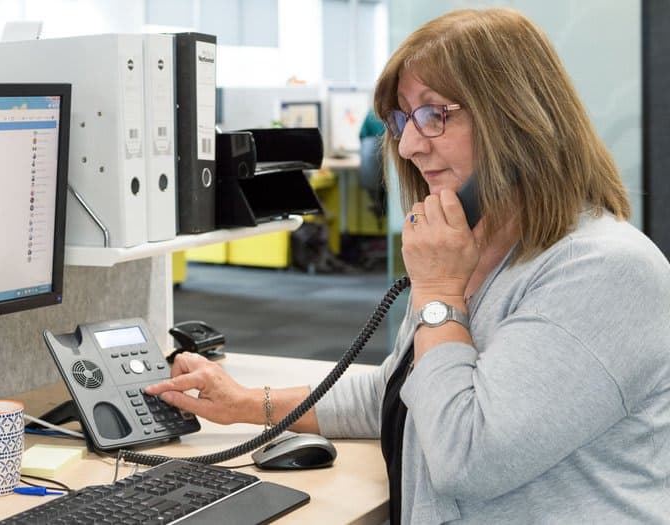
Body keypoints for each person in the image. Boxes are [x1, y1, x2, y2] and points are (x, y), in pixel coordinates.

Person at [146, 8, 670, 523]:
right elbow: (401, 390)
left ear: (516, 115)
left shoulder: (602, 271)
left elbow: (468, 458)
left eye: (434, 113)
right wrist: (244, 403)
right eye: (402, 119)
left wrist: (440, 290)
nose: (411, 144)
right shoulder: (485, 248)